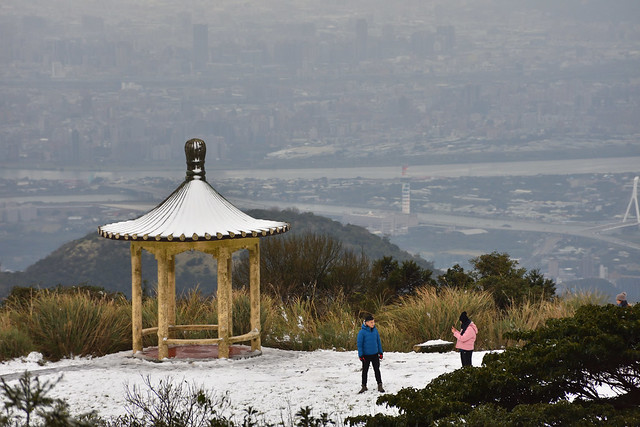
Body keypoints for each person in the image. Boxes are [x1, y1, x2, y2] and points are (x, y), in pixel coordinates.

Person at [357, 314, 384, 393]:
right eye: (371, 322)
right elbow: (359, 344)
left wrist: (380, 352)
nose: (373, 324)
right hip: (366, 356)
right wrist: (361, 355)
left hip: (375, 354)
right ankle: (364, 386)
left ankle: (379, 385)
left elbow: (378, 342)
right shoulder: (362, 332)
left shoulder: (375, 331)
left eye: (373, 322)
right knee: (365, 371)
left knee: (377, 370)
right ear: (367, 323)